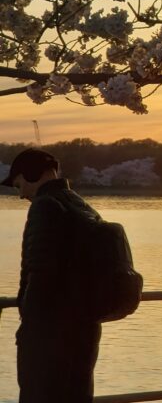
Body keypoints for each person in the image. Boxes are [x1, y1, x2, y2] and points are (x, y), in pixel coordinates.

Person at [3, 148, 103, 403]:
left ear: (32, 174)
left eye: (19, 185)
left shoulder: (45, 206)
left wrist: (28, 332)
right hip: (84, 331)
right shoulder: (82, 206)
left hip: (50, 337)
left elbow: (40, 275)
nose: (22, 194)